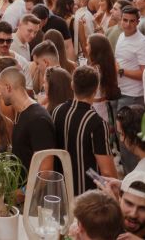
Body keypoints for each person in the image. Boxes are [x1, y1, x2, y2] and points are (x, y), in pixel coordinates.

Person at [52, 66, 118, 195]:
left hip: (59, 190)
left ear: (72, 85)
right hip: (86, 195)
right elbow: (107, 172)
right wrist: (117, 195)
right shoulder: (97, 123)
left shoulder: (57, 111)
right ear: (96, 89)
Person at [114, 7, 145, 172]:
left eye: (132, 21)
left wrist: (121, 71)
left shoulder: (142, 43)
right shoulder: (122, 36)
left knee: (130, 142)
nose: (128, 24)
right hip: (120, 92)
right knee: (122, 140)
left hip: (133, 96)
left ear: (138, 22)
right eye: (125, 20)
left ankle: (134, 178)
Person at [0, 66, 55, 176]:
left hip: (29, 192)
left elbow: (46, 170)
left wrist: (24, 192)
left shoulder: (38, 119)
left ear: (8, 88)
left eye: (0, 88)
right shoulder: (21, 113)